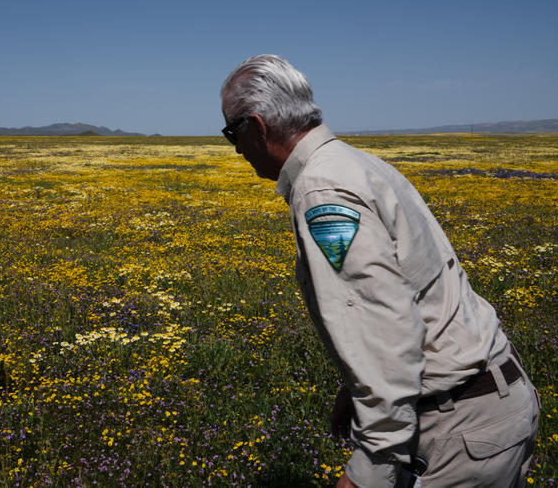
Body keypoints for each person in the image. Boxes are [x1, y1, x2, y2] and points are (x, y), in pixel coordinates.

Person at [220, 55, 538, 487]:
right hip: (489, 408)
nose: (236, 149)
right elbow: (406, 293)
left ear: (257, 127)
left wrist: (372, 463)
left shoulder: (322, 191)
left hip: (456, 429)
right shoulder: (354, 164)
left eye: (231, 133)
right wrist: (355, 390)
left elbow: (385, 326)